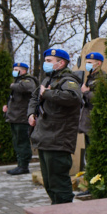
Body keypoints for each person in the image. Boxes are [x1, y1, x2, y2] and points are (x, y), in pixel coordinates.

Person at [28, 48, 83, 204]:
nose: (45, 63)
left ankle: (65, 212)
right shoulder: (48, 80)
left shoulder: (68, 80)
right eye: (45, 60)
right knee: (49, 182)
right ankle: (56, 209)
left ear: (61, 63)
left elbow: (73, 97)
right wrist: (30, 114)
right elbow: (34, 97)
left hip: (58, 139)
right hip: (45, 138)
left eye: (49, 61)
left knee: (59, 182)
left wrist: (47, 94)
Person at [3, 62, 38, 175]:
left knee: (22, 142)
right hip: (15, 117)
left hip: (22, 118)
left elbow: (28, 88)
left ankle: (23, 166)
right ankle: (20, 164)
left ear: (23, 71)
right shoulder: (18, 81)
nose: (14, 71)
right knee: (17, 142)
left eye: (16, 69)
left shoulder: (28, 80)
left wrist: (12, 85)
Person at [78, 52, 107, 150]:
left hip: (96, 123)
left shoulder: (103, 79)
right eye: (87, 62)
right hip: (87, 123)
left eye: (90, 62)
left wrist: (86, 92)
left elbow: (100, 98)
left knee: (94, 151)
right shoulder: (90, 78)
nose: (87, 65)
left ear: (98, 64)